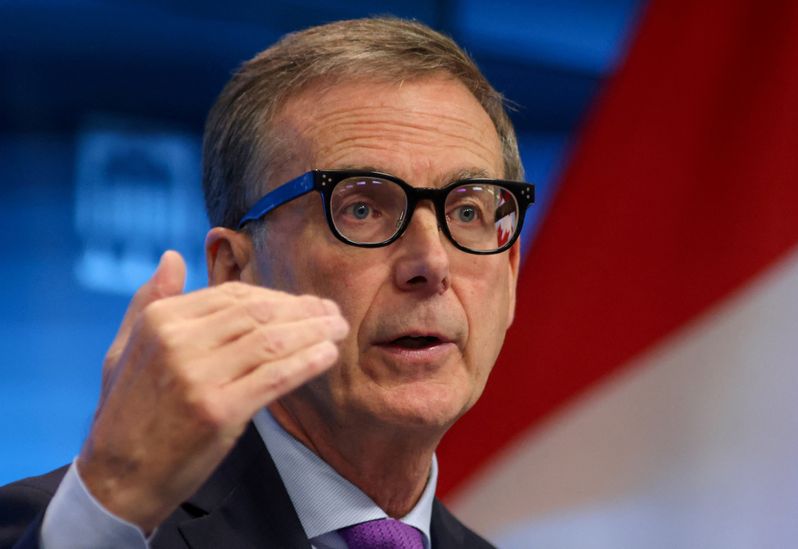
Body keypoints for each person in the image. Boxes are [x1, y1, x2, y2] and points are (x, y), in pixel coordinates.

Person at [0, 17, 533, 549]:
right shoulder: (74, 529)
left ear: (509, 275)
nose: (432, 262)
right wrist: (110, 504)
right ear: (236, 273)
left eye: (467, 212)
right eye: (362, 207)